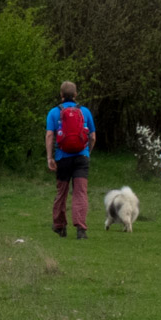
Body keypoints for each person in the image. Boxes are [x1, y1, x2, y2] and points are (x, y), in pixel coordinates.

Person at [45, 81, 95, 238]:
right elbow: (92, 136)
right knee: (80, 192)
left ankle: (60, 226)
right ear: (76, 95)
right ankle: (81, 229)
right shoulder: (85, 112)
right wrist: (87, 152)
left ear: (61, 95)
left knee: (62, 192)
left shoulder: (54, 112)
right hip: (81, 156)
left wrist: (49, 157)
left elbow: (49, 135)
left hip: (62, 157)